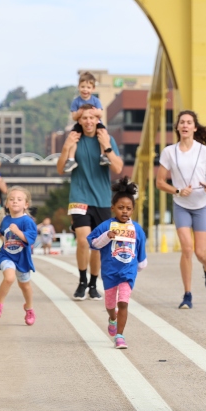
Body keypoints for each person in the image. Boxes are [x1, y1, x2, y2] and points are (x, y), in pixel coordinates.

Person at [156, 110, 206, 308]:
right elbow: (160, 182)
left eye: (189, 122)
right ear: (177, 127)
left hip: (201, 205)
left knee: (200, 252)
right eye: (182, 122)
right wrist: (177, 190)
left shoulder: (204, 151)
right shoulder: (169, 152)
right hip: (181, 206)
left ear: (194, 127)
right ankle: (187, 295)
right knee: (186, 249)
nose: (185, 125)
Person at [56, 104, 123, 301]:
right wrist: (67, 146)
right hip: (79, 196)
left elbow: (118, 168)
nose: (88, 121)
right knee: (84, 240)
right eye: (84, 118)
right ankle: (82, 281)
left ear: (97, 120)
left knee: (98, 244)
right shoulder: (74, 140)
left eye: (92, 118)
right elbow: (61, 169)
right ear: (79, 121)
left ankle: (94, 284)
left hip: (102, 199)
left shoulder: (106, 139)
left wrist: (108, 147)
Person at [88, 178, 148, 350]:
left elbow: (141, 250)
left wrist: (139, 266)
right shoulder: (106, 226)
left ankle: (120, 336)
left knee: (123, 302)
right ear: (113, 208)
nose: (124, 211)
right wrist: (107, 236)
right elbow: (92, 243)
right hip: (110, 272)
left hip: (127, 272)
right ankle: (112, 317)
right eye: (121, 207)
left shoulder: (137, 229)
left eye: (128, 208)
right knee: (110, 305)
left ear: (133, 210)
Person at [0, 186, 38, 326]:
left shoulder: (27, 221)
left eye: (19, 199)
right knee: (9, 278)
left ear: (26, 204)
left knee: (25, 286)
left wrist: (17, 231)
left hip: (22, 258)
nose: (15, 201)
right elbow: (2, 230)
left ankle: (29, 308)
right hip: (7, 255)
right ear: (6, 204)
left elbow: (30, 240)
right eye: (11, 199)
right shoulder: (6, 219)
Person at [62, 72, 109, 173]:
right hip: (80, 124)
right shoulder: (76, 101)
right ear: (78, 87)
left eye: (88, 87)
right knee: (73, 136)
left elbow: (100, 113)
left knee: (103, 134)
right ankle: (71, 160)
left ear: (93, 89)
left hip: (95, 124)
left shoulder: (95, 100)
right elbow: (74, 117)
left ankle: (103, 155)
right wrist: (79, 113)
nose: (85, 89)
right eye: (83, 87)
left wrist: (95, 112)